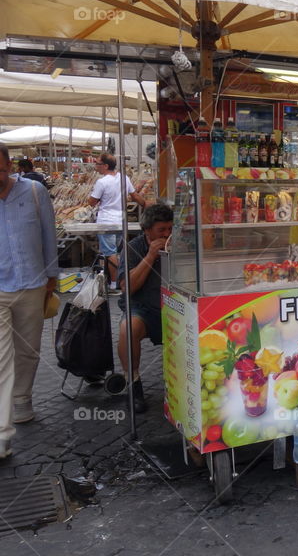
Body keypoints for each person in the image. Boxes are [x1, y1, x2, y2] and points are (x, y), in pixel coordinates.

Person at [0, 146, 58, 458]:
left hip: (33, 284)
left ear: (10, 165)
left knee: (29, 350)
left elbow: (50, 235)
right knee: (1, 357)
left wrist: (52, 277)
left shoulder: (35, 192)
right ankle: (2, 434)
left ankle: (22, 399)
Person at [115, 203, 173, 413]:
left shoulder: (179, 244)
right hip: (144, 308)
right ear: (147, 230)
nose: (167, 235)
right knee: (128, 329)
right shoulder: (133, 248)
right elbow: (126, 287)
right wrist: (150, 256)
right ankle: (133, 382)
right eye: (161, 230)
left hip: (175, 307)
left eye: (170, 229)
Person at [88, 154, 146, 289]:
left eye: (98, 164)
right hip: (121, 220)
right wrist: (145, 204)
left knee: (110, 252)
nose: (96, 167)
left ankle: (114, 283)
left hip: (106, 221)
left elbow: (92, 202)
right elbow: (135, 196)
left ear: (106, 166)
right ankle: (118, 278)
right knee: (117, 251)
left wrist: (92, 199)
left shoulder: (102, 182)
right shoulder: (124, 178)